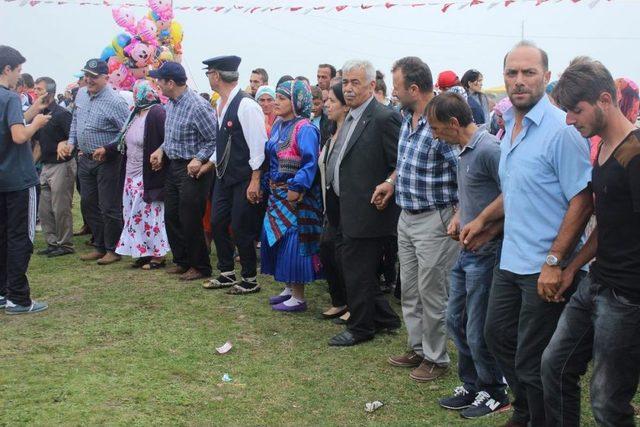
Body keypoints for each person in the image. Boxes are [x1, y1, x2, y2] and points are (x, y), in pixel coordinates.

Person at [460, 41, 593, 427]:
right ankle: (528, 410)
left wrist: (555, 261)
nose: (519, 81)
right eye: (512, 73)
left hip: (545, 266)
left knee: (534, 360)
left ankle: (541, 417)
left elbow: (582, 200)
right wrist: (484, 222)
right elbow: (517, 188)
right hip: (511, 259)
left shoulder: (561, 131)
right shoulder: (510, 127)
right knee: (497, 337)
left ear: (547, 78)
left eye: (529, 73)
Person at [541, 58, 640, 427]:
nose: (569, 120)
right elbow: (609, 224)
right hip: (596, 282)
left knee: (607, 401)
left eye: (576, 110)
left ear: (604, 100)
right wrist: (570, 267)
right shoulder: (600, 149)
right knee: (554, 365)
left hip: (628, 298)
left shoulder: (634, 153)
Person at [426, 92, 509, 418]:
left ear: (454, 123)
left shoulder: (489, 149)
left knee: (477, 327)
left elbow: (511, 192)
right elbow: (471, 193)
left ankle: (494, 390)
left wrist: (482, 220)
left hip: (488, 251)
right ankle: (472, 384)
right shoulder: (462, 152)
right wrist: (462, 215)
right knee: (455, 320)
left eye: (435, 128)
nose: (434, 134)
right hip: (467, 249)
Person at [386, 57, 459, 381]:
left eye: (397, 86)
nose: (393, 91)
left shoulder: (439, 120)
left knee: (432, 291)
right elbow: (406, 164)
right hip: (408, 216)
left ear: (414, 89)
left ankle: (436, 358)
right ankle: (418, 348)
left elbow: (463, 167)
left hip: (435, 219)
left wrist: (461, 213)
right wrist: (390, 183)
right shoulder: (407, 118)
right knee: (411, 288)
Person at [325, 59, 402, 346]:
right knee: (351, 266)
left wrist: (389, 185)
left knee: (357, 270)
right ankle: (383, 317)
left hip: (370, 209)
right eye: (345, 82)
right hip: (344, 207)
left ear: (372, 85)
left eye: (355, 82)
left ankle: (361, 327)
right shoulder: (352, 115)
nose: (348, 88)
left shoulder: (383, 118)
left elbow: (399, 164)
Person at [199, 55, 267, 294]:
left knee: (241, 227)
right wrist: (208, 164)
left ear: (217, 75)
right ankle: (226, 272)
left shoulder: (247, 105)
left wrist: (255, 179)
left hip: (243, 177)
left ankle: (249, 278)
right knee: (217, 222)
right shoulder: (221, 103)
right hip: (224, 176)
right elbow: (224, 144)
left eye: (209, 73)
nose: (208, 77)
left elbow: (258, 145)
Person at [149, 61, 216, 281]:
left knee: (190, 217)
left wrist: (199, 159)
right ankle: (183, 260)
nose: (157, 83)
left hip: (193, 168)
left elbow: (214, 140)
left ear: (170, 82)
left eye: (160, 80)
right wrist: (160, 150)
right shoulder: (171, 103)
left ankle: (200, 266)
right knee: (172, 216)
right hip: (174, 165)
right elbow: (170, 137)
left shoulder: (198, 106)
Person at [261, 79, 323, 312]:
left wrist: (296, 188)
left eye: (282, 98)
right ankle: (288, 288)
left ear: (296, 102)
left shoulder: (305, 128)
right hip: (276, 194)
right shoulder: (278, 125)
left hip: (295, 197)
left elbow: (310, 163)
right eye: (276, 97)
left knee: (293, 242)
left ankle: (298, 297)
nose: (276, 103)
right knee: (276, 239)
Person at [95, 79, 169, 270]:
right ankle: (143, 251)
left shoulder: (157, 113)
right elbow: (122, 140)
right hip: (130, 174)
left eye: (138, 92)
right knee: (134, 216)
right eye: (134, 92)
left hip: (148, 175)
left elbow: (166, 140)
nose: (136, 95)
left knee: (151, 215)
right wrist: (107, 149)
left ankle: (158, 256)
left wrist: (159, 156)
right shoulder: (135, 113)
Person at [60, 59, 129, 265]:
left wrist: (107, 148)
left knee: (109, 206)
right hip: (85, 158)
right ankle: (99, 244)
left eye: (94, 76)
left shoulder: (116, 102)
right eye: (86, 75)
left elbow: (126, 130)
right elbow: (75, 121)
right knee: (88, 203)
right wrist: (72, 142)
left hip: (108, 160)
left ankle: (113, 248)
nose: (88, 80)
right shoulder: (81, 94)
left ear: (106, 78)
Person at [0, 45, 51, 314]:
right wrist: (37, 124)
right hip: (18, 179)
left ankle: (3, 291)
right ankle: (19, 298)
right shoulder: (8, 98)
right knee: (21, 238)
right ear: (7, 69)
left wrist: (30, 114)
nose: (18, 77)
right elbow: (19, 135)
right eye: (17, 71)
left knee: (3, 237)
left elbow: (11, 126)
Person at [32, 76, 76, 258]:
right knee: (44, 208)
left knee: (60, 207)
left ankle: (65, 244)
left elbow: (73, 138)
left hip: (62, 165)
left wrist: (64, 142)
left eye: (39, 90)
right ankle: (52, 242)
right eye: (35, 89)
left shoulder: (62, 114)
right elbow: (39, 145)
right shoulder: (38, 116)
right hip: (46, 165)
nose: (35, 93)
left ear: (49, 93)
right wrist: (31, 164)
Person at [319, 82, 349, 321]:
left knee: (343, 254)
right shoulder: (330, 132)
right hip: (329, 204)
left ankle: (351, 303)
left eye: (332, 101)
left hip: (346, 204)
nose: (327, 105)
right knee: (327, 248)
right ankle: (338, 301)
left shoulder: (350, 133)